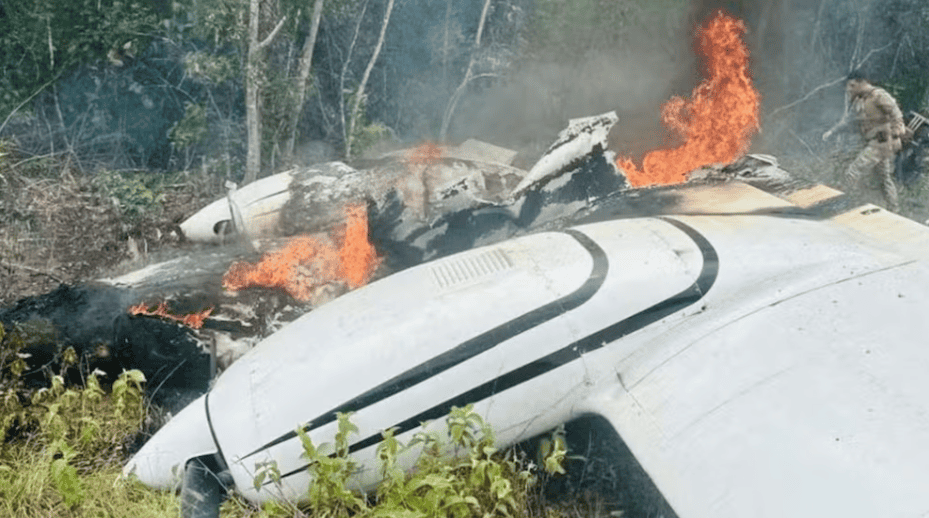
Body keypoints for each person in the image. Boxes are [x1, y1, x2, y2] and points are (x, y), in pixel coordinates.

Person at [822, 70, 911, 212]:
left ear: (862, 82)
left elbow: (897, 115)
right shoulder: (859, 101)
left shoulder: (879, 95)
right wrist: (832, 132)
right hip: (874, 143)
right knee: (883, 179)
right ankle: (895, 210)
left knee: (853, 171)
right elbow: (848, 122)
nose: (849, 89)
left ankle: (847, 205)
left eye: (852, 85)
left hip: (882, 143)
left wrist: (897, 131)